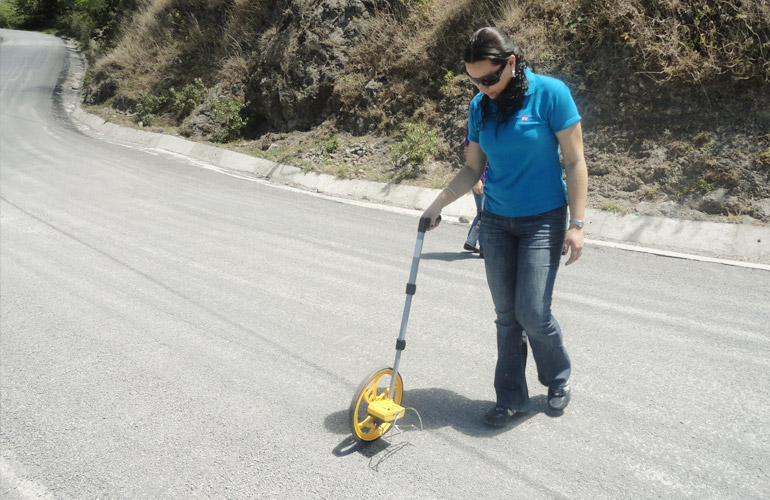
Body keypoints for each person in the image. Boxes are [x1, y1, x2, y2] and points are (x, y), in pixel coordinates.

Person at [422, 27, 588, 427]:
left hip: (543, 219)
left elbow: (575, 161)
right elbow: (472, 168)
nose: (483, 87)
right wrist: (436, 205)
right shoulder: (480, 106)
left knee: (533, 312)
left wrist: (578, 223)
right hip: (495, 221)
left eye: (489, 78)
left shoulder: (551, 94)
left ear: (511, 63)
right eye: (475, 81)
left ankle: (557, 377)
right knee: (506, 315)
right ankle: (510, 397)